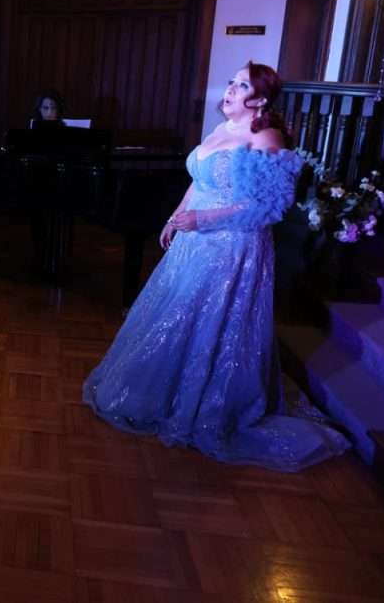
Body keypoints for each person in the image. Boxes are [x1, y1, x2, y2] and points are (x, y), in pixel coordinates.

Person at [82, 62, 350, 471]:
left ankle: (205, 406)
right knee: (177, 313)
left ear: (260, 100)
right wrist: (175, 217)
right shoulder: (222, 128)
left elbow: (266, 206)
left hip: (233, 244)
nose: (230, 89)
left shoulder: (266, 137)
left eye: (242, 85)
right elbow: (198, 180)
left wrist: (203, 219)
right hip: (195, 239)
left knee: (210, 321)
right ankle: (162, 394)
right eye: (232, 82)